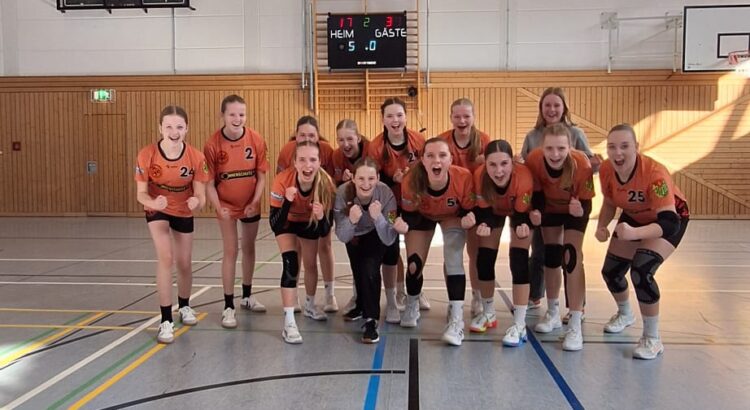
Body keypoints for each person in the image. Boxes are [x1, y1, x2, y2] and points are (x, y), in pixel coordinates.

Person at [596, 124, 690, 359]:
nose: (618, 153)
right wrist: (601, 226)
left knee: (642, 270)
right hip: (634, 215)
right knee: (611, 272)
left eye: (624, 146)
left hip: (668, 219)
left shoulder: (654, 174)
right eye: (612, 147)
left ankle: (652, 338)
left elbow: (669, 223)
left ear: (636, 147)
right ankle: (625, 314)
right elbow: (610, 202)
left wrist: (634, 234)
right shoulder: (606, 169)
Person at [520, 87, 600, 321]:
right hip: (546, 203)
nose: (552, 109)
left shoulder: (576, 136)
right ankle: (539, 298)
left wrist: (596, 165)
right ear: (541, 109)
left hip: (572, 202)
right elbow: (527, 169)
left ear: (564, 108)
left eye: (556, 105)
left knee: (571, 255)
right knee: (543, 253)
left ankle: (577, 307)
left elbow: (588, 165)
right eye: (547, 105)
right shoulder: (532, 137)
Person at [135, 105, 209, 344]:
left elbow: (202, 196)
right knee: (166, 258)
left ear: (187, 129)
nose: (174, 132)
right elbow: (140, 194)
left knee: (184, 262)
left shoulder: (196, 157)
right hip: (157, 208)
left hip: (183, 209)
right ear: (160, 128)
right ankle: (165, 319)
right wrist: (153, 202)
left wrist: (196, 201)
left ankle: (184, 305)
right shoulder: (147, 154)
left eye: (179, 127)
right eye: (168, 126)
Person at [396, 137, 475, 346]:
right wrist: (400, 223)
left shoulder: (463, 178)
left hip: (451, 216)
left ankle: (456, 319)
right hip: (421, 216)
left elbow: (468, 208)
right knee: (414, 264)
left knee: (454, 259)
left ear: (450, 159)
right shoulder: (411, 180)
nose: (436, 160)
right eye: (430, 156)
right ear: (422, 160)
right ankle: (412, 303)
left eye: (442, 155)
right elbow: (409, 214)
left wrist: (469, 217)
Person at [525, 123, 595, 351]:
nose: (555, 154)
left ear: (570, 147)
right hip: (550, 209)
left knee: (572, 258)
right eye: (550, 148)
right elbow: (536, 194)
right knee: (551, 257)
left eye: (561, 149)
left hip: (574, 210)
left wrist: (579, 209)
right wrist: (536, 211)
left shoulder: (581, 164)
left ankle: (574, 322)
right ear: (542, 147)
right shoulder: (534, 160)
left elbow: (586, 201)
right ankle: (553, 311)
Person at [203, 94, 268, 329]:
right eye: (232, 114)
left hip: (250, 203)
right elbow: (209, 183)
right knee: (231, 250)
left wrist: (255, 200)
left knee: (249, 248)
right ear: (223, 115)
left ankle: (247, 296)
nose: (237, 118)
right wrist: (218, 206)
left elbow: (261, 176)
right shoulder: (212, 145)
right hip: (226, 205)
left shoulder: (256, 139)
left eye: (241, 114)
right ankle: (228, 305)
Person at [465, 140, 534, 347]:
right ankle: (488, 313)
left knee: (519, 259)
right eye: (492, 165)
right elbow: (484, 210)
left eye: (504, 164)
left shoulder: (523, 177)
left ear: (513, 162)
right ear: (485, 164)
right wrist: (484, 223)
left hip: (521, 212)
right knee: (484, 259)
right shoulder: (479, 176)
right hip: (493, 211)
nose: (498, 171)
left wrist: (523, 225)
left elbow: (522, 213)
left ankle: (519, 324)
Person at [269, 141, 335, 344]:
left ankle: (310, 305)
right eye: (302, 160)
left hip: (308, 221)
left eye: (313, 160)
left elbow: (325, 231)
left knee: (310, 264)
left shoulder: (326, 184)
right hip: (286, 222)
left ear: (320, 162)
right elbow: (275, 223)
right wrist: (287, 202)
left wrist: (321, 217)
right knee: (290, 263)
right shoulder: (282, 180)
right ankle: (289, 322)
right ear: (295, 163)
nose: (308, 165)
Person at [334, 158, 406, 342]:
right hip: (354, 234)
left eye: (371, 179)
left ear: (378, 178)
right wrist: (351, 221)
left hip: (378, 232)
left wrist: (378, 218)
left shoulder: (386, 193)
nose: (366, 184)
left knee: (369, 268)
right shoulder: (342, 193)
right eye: (361, 179)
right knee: (358, 270)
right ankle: (360, 305)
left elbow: (389, 237)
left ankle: (371, 320)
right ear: (353, 178)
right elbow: (342, 235)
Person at [368, 97, 429, 311]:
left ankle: (416, 290)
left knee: (415, 249)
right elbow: (372, 180)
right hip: (390, 205)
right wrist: (391, 179)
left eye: (399, 115)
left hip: (414, 203)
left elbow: (428, 170)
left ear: (406, 117)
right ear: (383, 119)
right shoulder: (376, 146)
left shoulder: (418, 140)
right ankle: (400, 290)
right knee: (392, 247)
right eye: (390, 116)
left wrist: (412, 178)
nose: (395, 120)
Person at [277, 116, 338, 313]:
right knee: (295, 251)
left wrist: (322, 208)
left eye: (311, 135)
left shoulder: (326, 150)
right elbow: (281, 179)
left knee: (325, 246)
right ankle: (293, 296)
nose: (307, 139)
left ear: (318, 136)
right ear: (296, 136)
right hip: (296, 206)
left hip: (318, 206)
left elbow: (331, 180)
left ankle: (329, 295)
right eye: (302, 135)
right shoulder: (287, 151)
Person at [437, 98, 491, 316]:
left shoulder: (484, 141)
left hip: (476, 204)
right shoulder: (442, 141)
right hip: (451, 205)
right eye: (457, 116)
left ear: (473, 117)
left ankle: (477, 296)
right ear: (451, 117)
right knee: (452, 251)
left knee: (475, 252)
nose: (462, 120)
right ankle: (454, 300)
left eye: (466, 116)